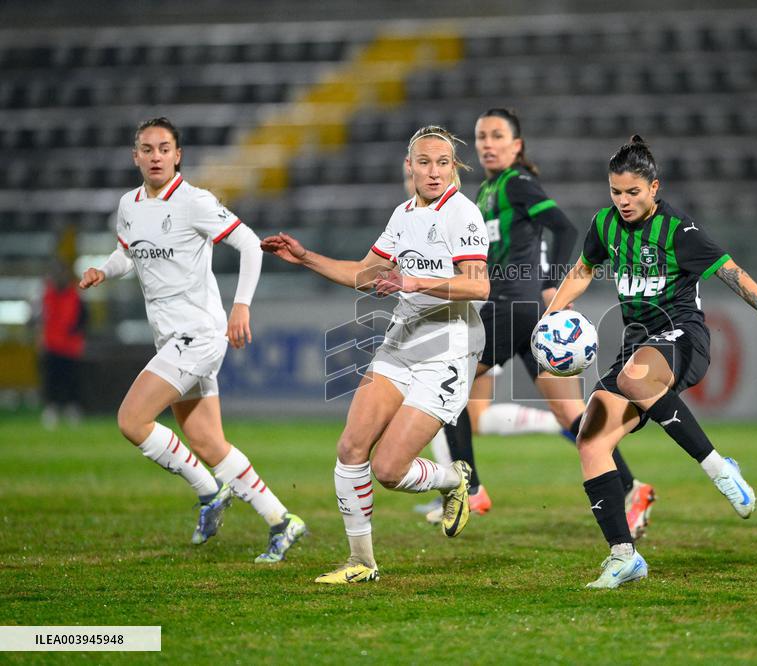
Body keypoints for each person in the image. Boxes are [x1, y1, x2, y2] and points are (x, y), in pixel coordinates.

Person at [544, 136, 757, 589]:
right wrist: (551, 316)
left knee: (634, 377)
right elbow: (583, 271)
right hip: (637, 346)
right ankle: (623, 556)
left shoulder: (678, 230)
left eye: (633, 192)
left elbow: (733, 274)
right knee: (590, 440)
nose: (623, 201)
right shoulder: (604, 226)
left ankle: (720, 469)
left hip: (683, 336)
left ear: (654, 187)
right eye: (615, 192)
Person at [261, 125, 490, 585]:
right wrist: (306, 257)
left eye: (443, 162)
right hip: (403, 339)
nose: (433, 171)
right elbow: (366, 275)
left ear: (454, 168)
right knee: (350, 447)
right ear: (409, 166)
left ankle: (453, 480)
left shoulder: (462, 213)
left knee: (389, 469)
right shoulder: (403, 214)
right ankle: (361, 562)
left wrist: (413, 281)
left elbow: (478, 284)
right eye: (423, 162)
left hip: (447, 348)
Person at [79, 117, 306, 563]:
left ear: (177, 155)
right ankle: (282, 521)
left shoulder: (195, 202)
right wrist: (104, 269)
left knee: (132, 420)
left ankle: (208, 493)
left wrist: (241, 305)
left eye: (165, 148)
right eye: (147, 148)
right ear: (136, 156)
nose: (156, 156)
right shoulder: (130, 205)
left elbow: (247, 243)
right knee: (206, 441)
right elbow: (130, 253)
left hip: (199, 335)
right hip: (171, 339)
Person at [432, 109, 656, 537]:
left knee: (449, 388)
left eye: (497, 135)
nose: (487, 143)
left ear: (516, 146)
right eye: (481, 136)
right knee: (570, 412)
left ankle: (470, 487)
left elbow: (563, 228)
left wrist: (552, 284)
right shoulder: (488, 189)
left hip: (511, 309)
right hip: (526, 315)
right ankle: (633, 487)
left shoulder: (515, 183)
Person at [39, 260, 87, 429]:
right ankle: (52, 409)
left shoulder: (75, 295)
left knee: (71, 380)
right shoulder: (48, 295)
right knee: (52, 380)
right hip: (52, 346)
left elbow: (83, 320)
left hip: (70, 347)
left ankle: (71, 409)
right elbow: (43, 318)